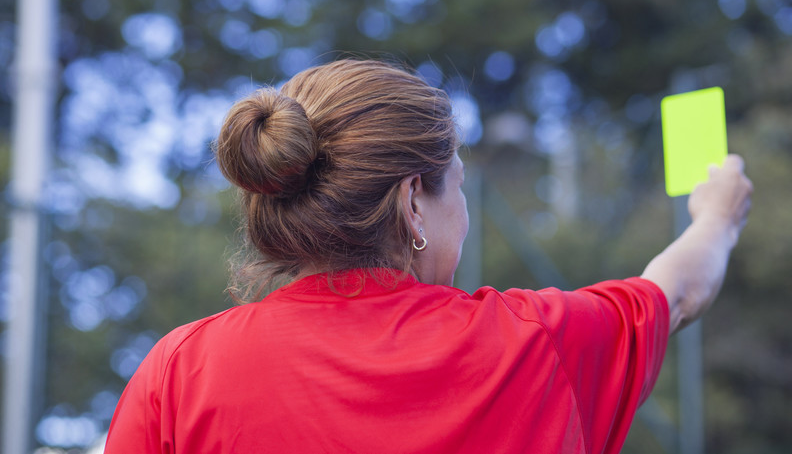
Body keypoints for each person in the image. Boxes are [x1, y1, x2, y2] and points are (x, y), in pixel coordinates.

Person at [103, 59, 752, 454]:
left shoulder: (178, 373)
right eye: (459, 188)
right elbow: (677, 290)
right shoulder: (531, 344)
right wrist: (716, 216)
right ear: (413, 200)